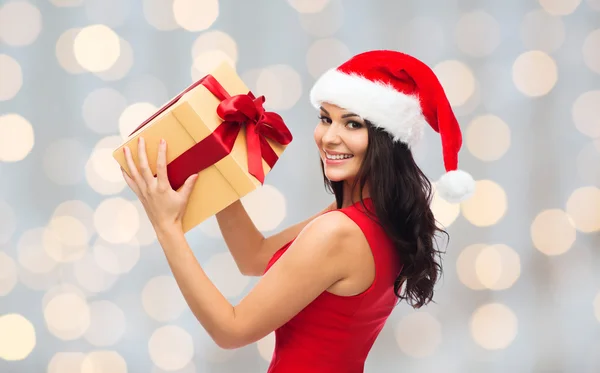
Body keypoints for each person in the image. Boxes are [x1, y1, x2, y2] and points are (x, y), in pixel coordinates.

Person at [121, 50, 475, 372]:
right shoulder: (370, 215)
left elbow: (231, 330)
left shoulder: (339, 232)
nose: (329, 137)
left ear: (387, 139)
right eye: (325, 118)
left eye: (352, 124)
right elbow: (254, 256)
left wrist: (166, 226)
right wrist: (217, 162)